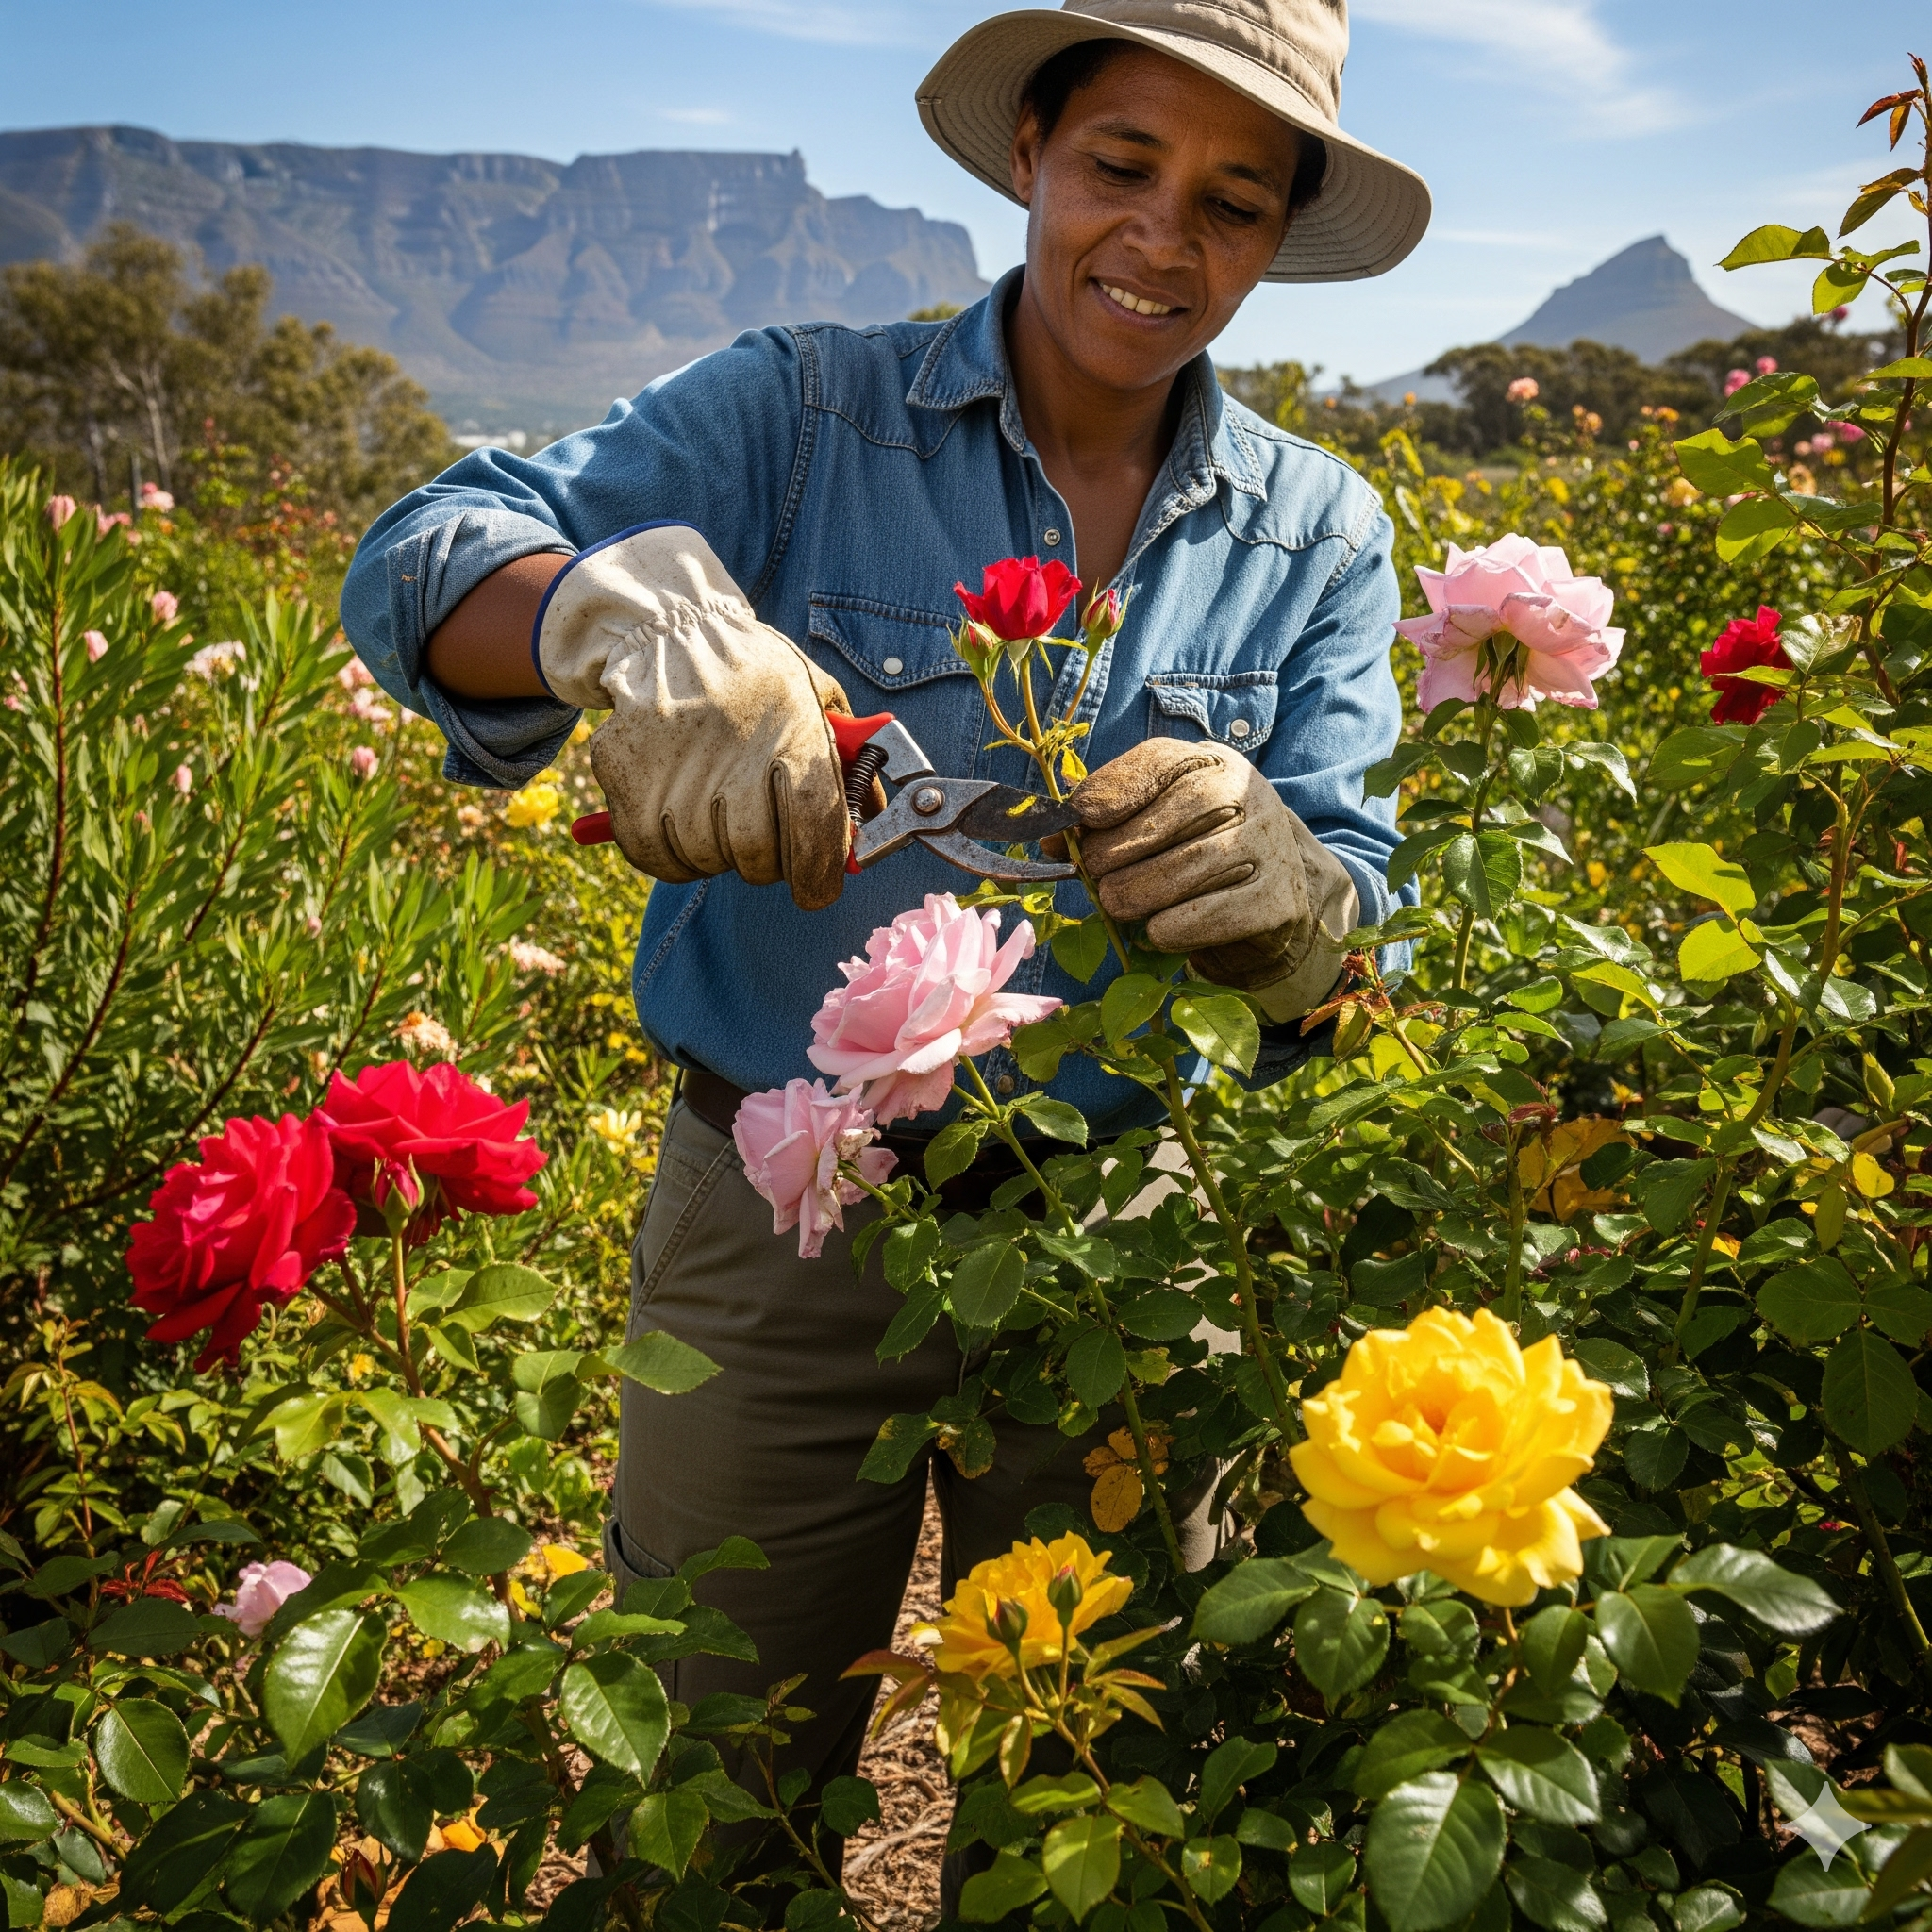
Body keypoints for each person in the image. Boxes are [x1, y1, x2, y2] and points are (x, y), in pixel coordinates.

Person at [341, 0, 1428, 1865]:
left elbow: (1354, 944)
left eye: (1231, 204)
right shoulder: (798, 410)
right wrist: (612, 606)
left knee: (1094, 1806)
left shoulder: (1319, 533)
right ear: (1028, 155)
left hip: (1122, 1248)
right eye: (1119, 167)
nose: (1163, 240)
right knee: (712, 1782)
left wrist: (1300, 903)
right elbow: (421, 556)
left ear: (1272, 239)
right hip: (775, 1221)